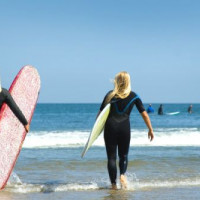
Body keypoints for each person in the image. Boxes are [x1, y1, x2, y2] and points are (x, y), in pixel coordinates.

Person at [97, 71, 154, 190]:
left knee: (111, 157)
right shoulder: (134, 96)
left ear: (117, 81)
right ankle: (122, 175)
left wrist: (96, 130)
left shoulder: (110, 95)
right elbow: (144, 114)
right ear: (129, 81)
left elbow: (100, 115)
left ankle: (113, 185)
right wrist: (150, 129)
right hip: (124, 128)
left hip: (110, 128)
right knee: (123, 155)